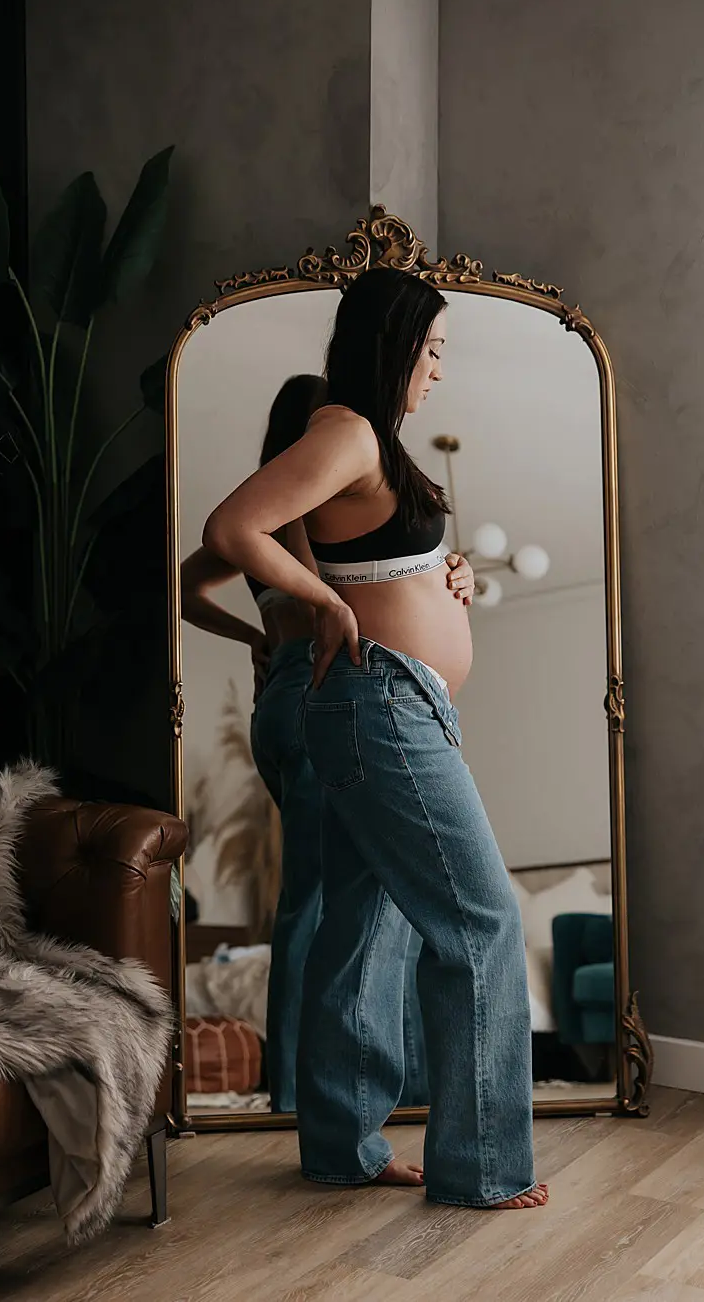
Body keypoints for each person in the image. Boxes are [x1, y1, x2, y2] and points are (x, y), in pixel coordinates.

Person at [199, 267, 545, 1210]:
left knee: (361, 929)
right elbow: (231, 529)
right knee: (481, 922)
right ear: (394, 344)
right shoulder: (346, 429)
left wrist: (451, 576)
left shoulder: (368, 444)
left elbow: (388, 559)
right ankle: (480, 1168)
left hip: (394, 705)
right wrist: (319, 604)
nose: (438, 370)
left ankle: (341, 1146)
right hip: (381, 706)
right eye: (431, 349)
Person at [183, 375, 465, 1112]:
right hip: (317, 694)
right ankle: (306, 1095)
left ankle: (316, 1088)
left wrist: (254, 634)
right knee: (333, 898)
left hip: (279, 700)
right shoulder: (303, 505)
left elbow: (184, 587)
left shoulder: (268, 517)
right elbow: (340, 586)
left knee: (320, 894)